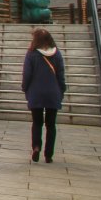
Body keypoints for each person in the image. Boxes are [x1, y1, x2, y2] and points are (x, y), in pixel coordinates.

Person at [22, 28, 66, 163]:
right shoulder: (57, 54)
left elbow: (27, 74)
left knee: (37, 123)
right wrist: (61, 90)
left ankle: (36, 147)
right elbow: (60, 75)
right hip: (53, 93)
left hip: (36, 93)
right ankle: (49, 155)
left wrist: (25, 88)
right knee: (51, 125)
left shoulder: (31, 54)